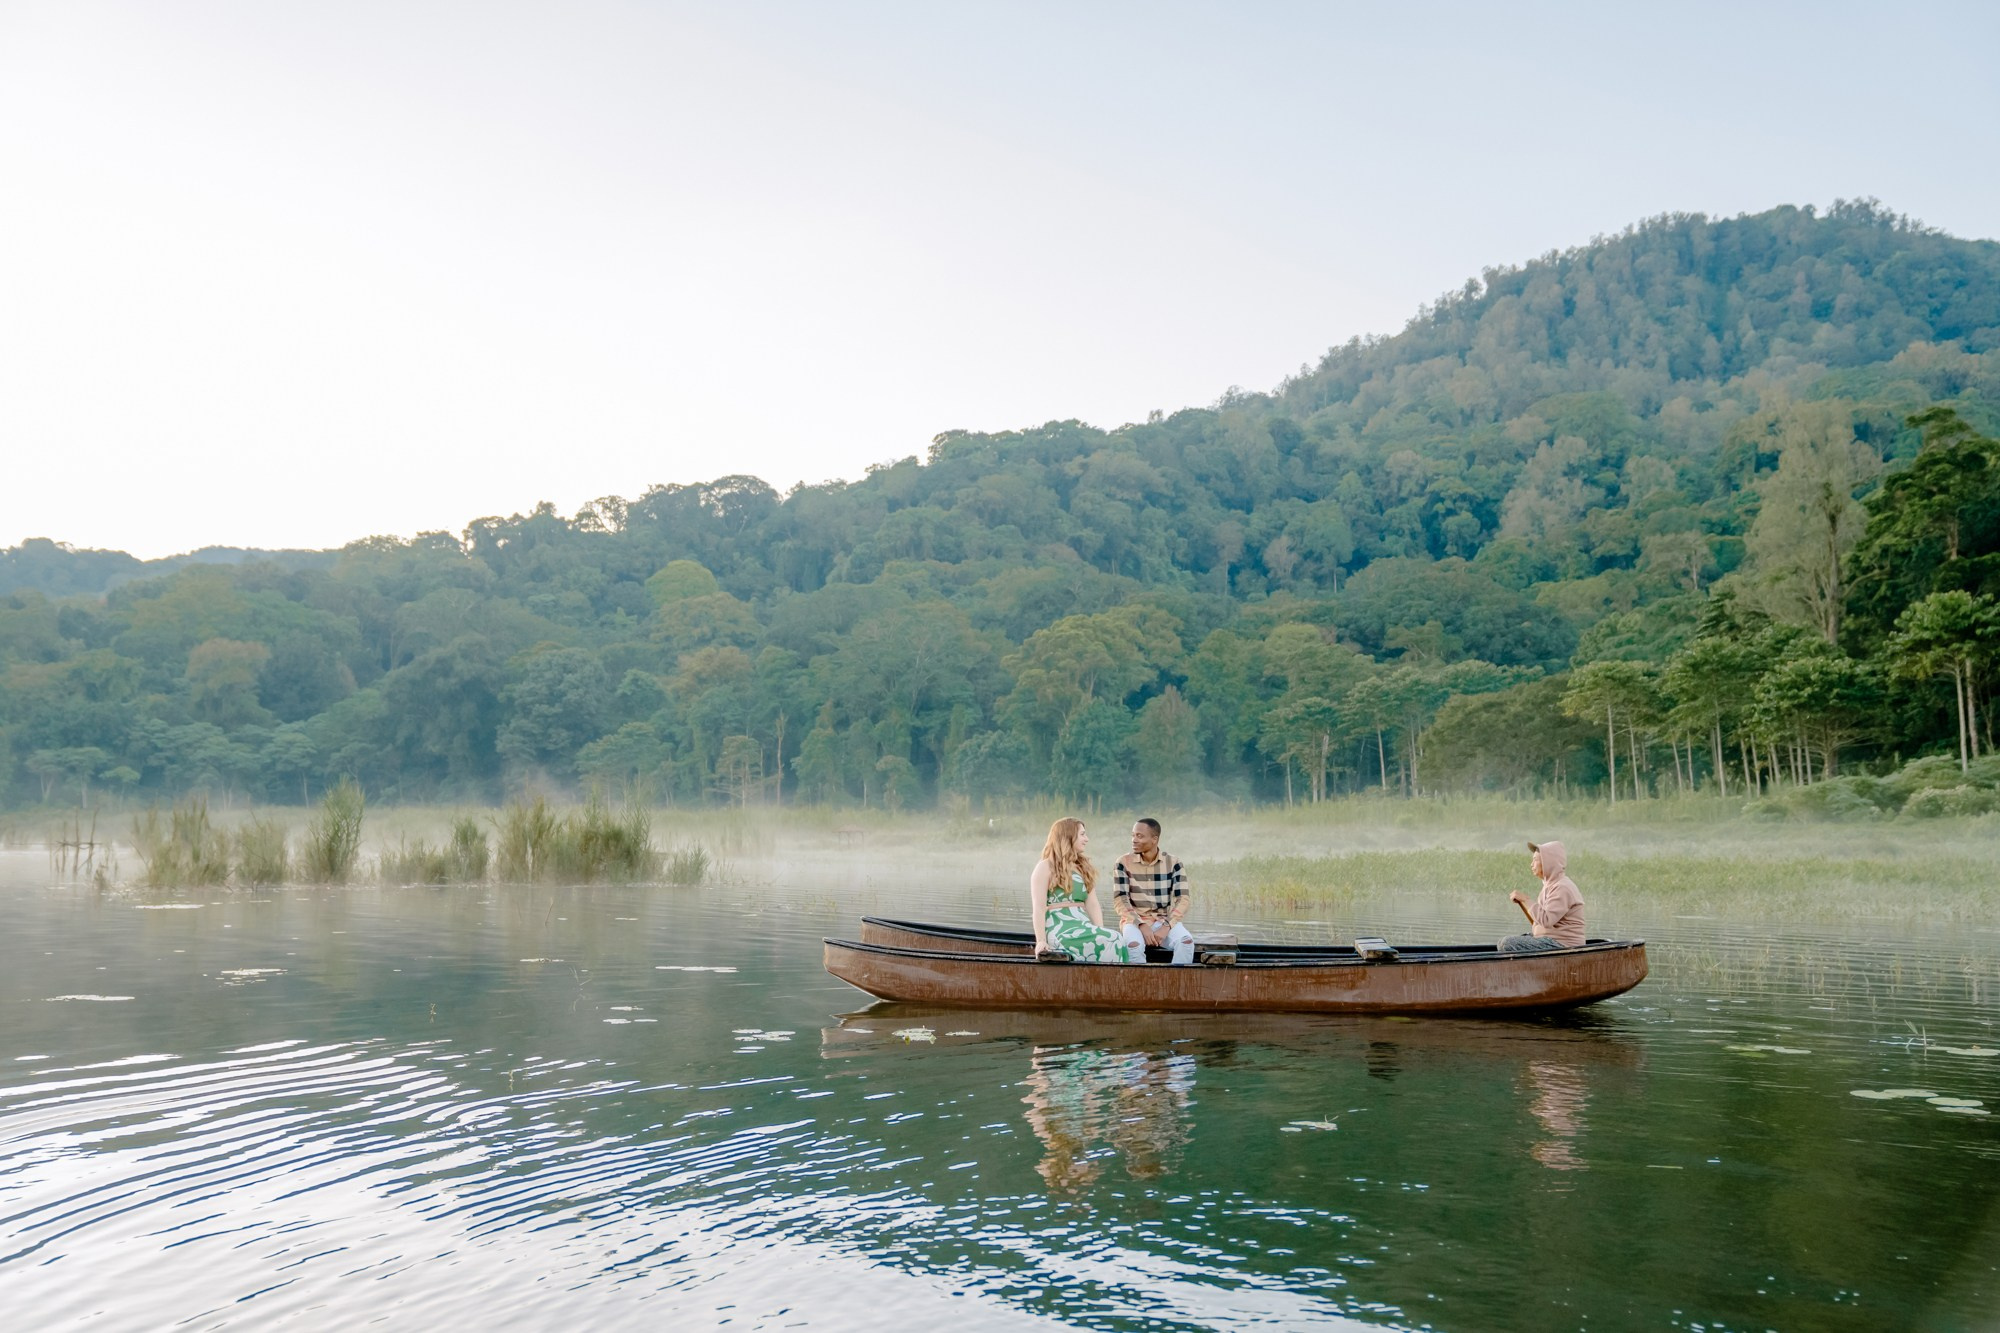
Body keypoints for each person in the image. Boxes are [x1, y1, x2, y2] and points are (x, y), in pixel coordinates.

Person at [1030, 817, 1131, 963]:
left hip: (1081, 925)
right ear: (1068, 836)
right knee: (1114, 939)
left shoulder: (1082, 867)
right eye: (1082, 834)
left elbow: (1093, 904)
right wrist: (1040, 941)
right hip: (1060, 929)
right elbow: (1038, 908)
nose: (1087, 839)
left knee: (1114, 938)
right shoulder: (1045, 867)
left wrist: (1100, 931)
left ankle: (1110, 982)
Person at [1113, 817, 1194, 965]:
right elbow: (1120, 900)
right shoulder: (1123, 862)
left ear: (1154, 839)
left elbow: (1183, 899)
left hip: (1163, 921)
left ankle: (1176, 985)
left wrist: (1166, 926)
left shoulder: (1173, 863)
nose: (1134, 840)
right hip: (1134, 922)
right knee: (1133, 947)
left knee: (1186, 942)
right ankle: (1138, 985)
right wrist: (1141, 925)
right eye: (1133, 835)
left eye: (1140, 836)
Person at [1499, 839, 1585, 951]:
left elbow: (1546, 920)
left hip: (1564, 945)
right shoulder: (1550, 885)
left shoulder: (1562, 887)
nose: (1531, 864)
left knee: (1507, 943)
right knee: (1503, 943)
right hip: (1550, 940)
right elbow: (1540, 920)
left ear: (1548, 862)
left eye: (1535, 860)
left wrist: (1526, 900)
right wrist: (1523, 903)